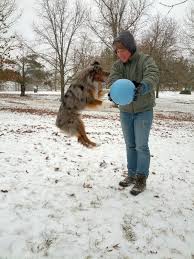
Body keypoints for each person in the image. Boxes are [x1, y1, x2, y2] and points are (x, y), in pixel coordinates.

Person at [108, 31, 159, 196]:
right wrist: (113, 92)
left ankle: (141, 178)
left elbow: (152, 75)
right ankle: (131, 174)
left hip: (143, 110)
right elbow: (113, 80)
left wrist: (142, 86)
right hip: (125, 112)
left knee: (141, 146)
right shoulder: (117, 66)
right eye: (117, 51)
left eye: (122, 50)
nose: (119, 53)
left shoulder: (145, 60)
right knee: (130, 145)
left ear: (130, 48)